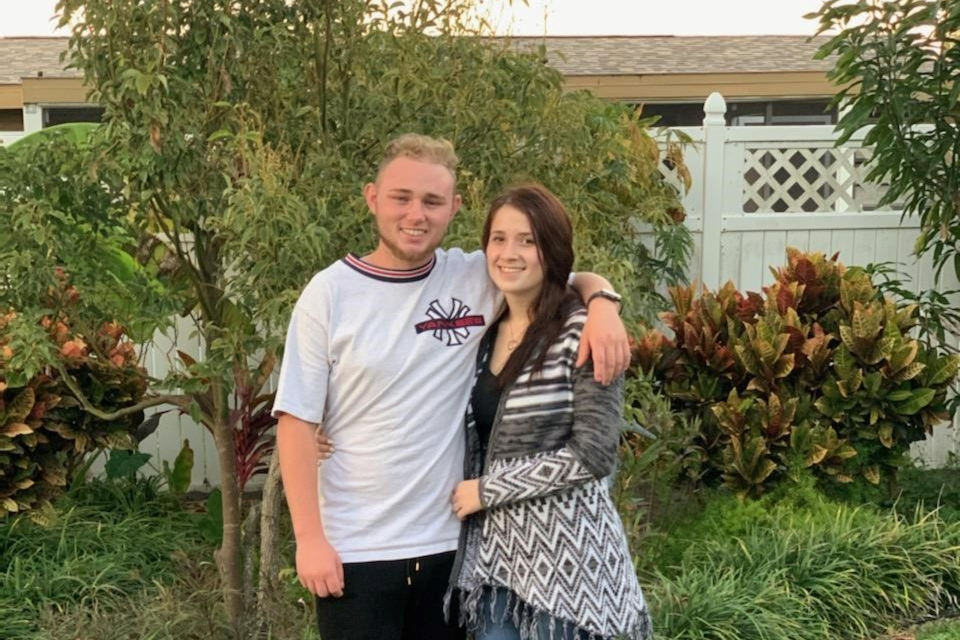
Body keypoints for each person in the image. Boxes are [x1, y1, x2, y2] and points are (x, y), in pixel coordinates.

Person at [273, 134, 630, 640]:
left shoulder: (476, 275)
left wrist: (603, 304)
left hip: (454, 549)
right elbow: (296, 422)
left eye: (432, 201)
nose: (415, 214)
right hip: (356, 549)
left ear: (454, 209)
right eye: (401, 197)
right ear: (372, 197)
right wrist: (309, 539)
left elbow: (562, 273)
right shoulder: (329, 295)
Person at [448, 184, 652, 640]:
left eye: (527, 240)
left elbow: (594, 454)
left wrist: (489, 489)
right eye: (498, 238)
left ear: (552, 249)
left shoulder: (583, 331)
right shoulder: (484, 330)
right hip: (496, 566)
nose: (509, 252)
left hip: (570, 568)